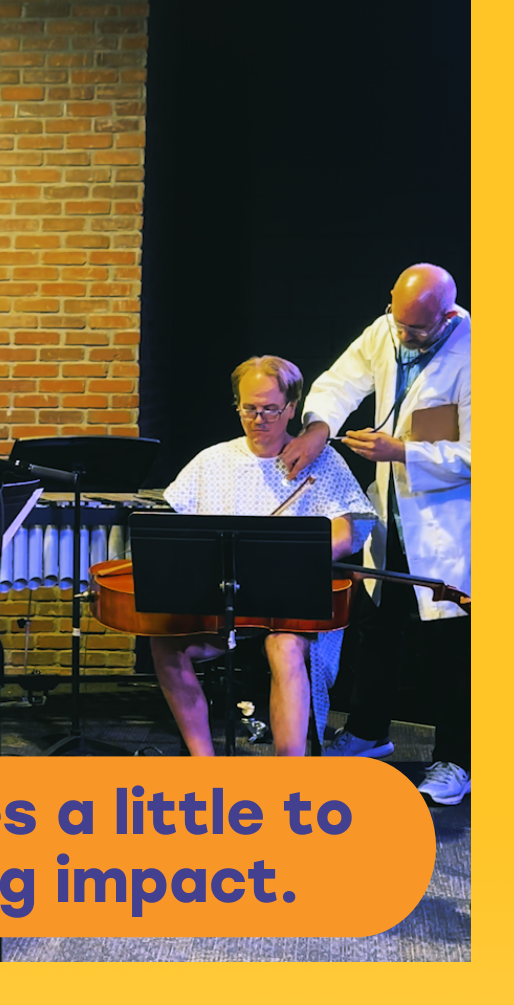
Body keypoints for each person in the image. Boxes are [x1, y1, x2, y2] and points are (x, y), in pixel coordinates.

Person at [282, 263, 471, 805]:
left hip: (450, 525)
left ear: (447, 316)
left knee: (450, 646)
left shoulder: (480, 356)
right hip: (393, 513)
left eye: (417, 328)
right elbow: (341, 380)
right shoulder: (387, 328)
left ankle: (457, 760)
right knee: (377, 627)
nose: (403, 334)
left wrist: (402, 451)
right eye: (398, 320)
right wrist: (319, 428)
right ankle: (368, 732)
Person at [150, 356, 376, 757]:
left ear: (292, 408)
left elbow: (345, 535)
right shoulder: (212, 461)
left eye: (270, 409)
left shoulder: (322, 461)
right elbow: (180, 532)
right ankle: (203, 761)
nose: (259, 419)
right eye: (249, 408)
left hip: (291, 608)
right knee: (165, 643)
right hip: (222, 604)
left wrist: (286, 558)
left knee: (284, 648)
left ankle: (288, 774)